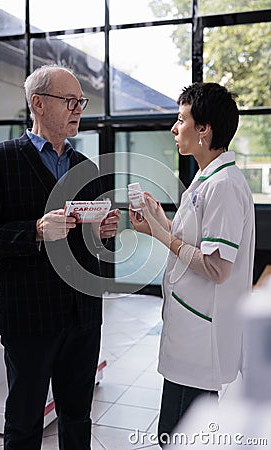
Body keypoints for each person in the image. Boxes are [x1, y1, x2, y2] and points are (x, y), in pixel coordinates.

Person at [0, 64, 120, 450]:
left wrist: (104, 235)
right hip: (29, 317)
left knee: (77, 418)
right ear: (38, 103)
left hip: (83, 315)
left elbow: (99, 248)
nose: (78, 109)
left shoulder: (87, 168)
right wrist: (35, 231)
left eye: (81, 102)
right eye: (70, 101)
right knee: (23, 421)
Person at [129, 82, 255, 447]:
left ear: (204, 129)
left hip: (202, 337)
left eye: (181, 119)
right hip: (190, 330)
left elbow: (218, 267)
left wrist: (162, 235)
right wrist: (159, 223)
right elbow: (194, 243)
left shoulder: (224, 186)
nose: (174, 127)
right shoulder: (206, 180)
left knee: (179, 436)